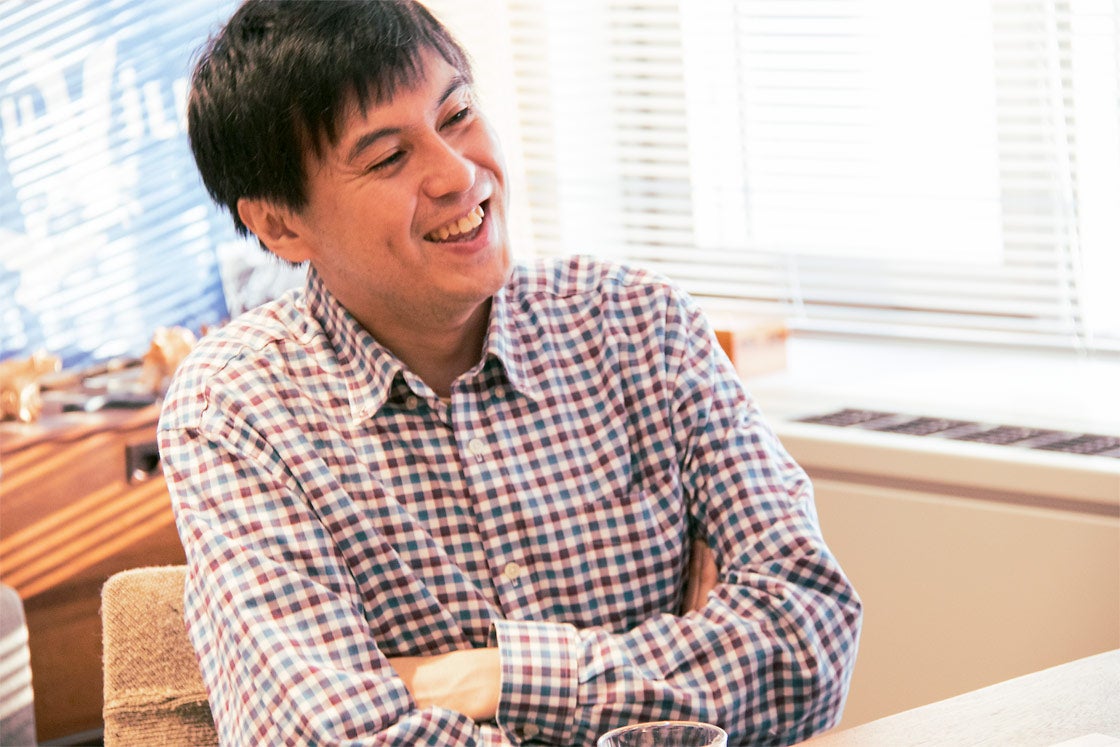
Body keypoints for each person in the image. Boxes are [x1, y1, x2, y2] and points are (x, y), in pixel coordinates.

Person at [160, 1, 862, 744]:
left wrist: (492, 677)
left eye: (457, 114)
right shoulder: (237, 411)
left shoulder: (640, 326)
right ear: (279, 224)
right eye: (389, 158)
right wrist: (663, 691)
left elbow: (809, 640)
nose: (458, 174)